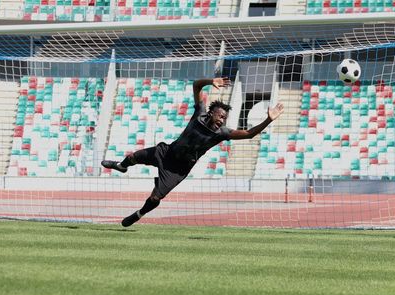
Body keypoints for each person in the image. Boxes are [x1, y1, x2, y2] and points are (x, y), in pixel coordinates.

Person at [101, 77, 284, 227]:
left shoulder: (222, 133)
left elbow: (249, 134)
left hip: (179, 169)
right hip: (166, 152)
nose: (222, 120)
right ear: (212, 112)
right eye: (220, 116)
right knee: (134, 157)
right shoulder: (199, 114)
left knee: (156, 197)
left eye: (224, 118)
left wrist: (268, 119)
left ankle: (139, 214)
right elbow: (196, 85)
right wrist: (210, 80)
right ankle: (121, 166)